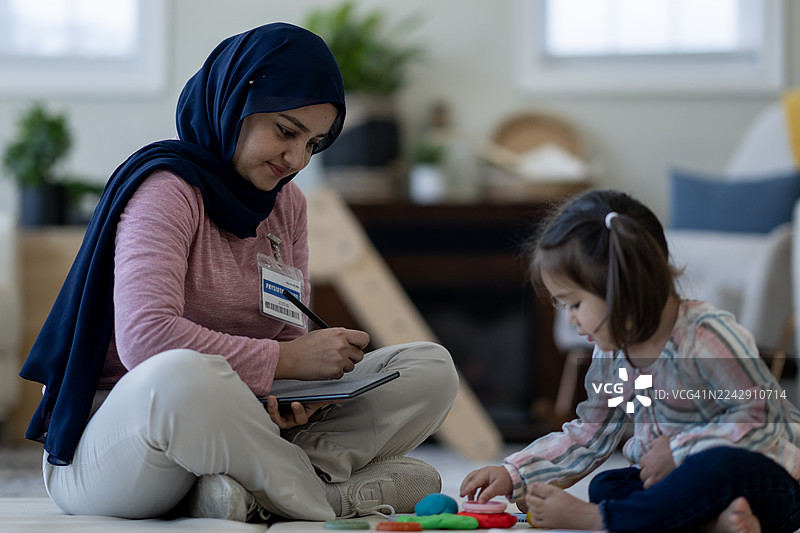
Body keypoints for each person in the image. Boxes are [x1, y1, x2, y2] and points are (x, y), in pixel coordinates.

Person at [19, 22, 458, 523]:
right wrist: (287, 362)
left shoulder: (286, 205)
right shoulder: (166, 189)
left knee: (428, 367)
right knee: (182, 373)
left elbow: (286, 343)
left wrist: (297, 402)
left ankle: (238, 493)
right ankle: (320, 498)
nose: (296, 159)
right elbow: (146, 340)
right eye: (286, 131)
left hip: (240, 421)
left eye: (314, 144)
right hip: (123, 437)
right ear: (233, 103)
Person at [460, 189, 800, 533]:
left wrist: (680, 451)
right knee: (607, 486)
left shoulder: (704, 335)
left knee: (713, 467)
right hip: (684, 485)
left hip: (768, 480)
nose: (571, 319)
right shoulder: (611, 351)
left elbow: (761, 418)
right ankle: (714, 525)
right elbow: (591, 433)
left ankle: (599, 521)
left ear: (621, 289)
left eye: (574, 304)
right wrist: (514, 473)